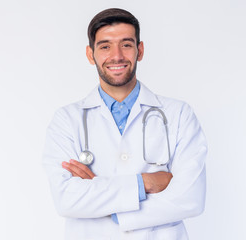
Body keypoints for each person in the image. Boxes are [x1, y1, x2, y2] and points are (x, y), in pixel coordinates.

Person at [43, 8, 206, 240]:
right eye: (105, 46)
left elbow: (191, 198)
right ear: (91, 54)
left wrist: (99, 192)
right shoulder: (66, 120)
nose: (117, 55)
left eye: (126, 44)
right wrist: (144, 183)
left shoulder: (179, 114)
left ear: (140, 51)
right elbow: (66, 199)